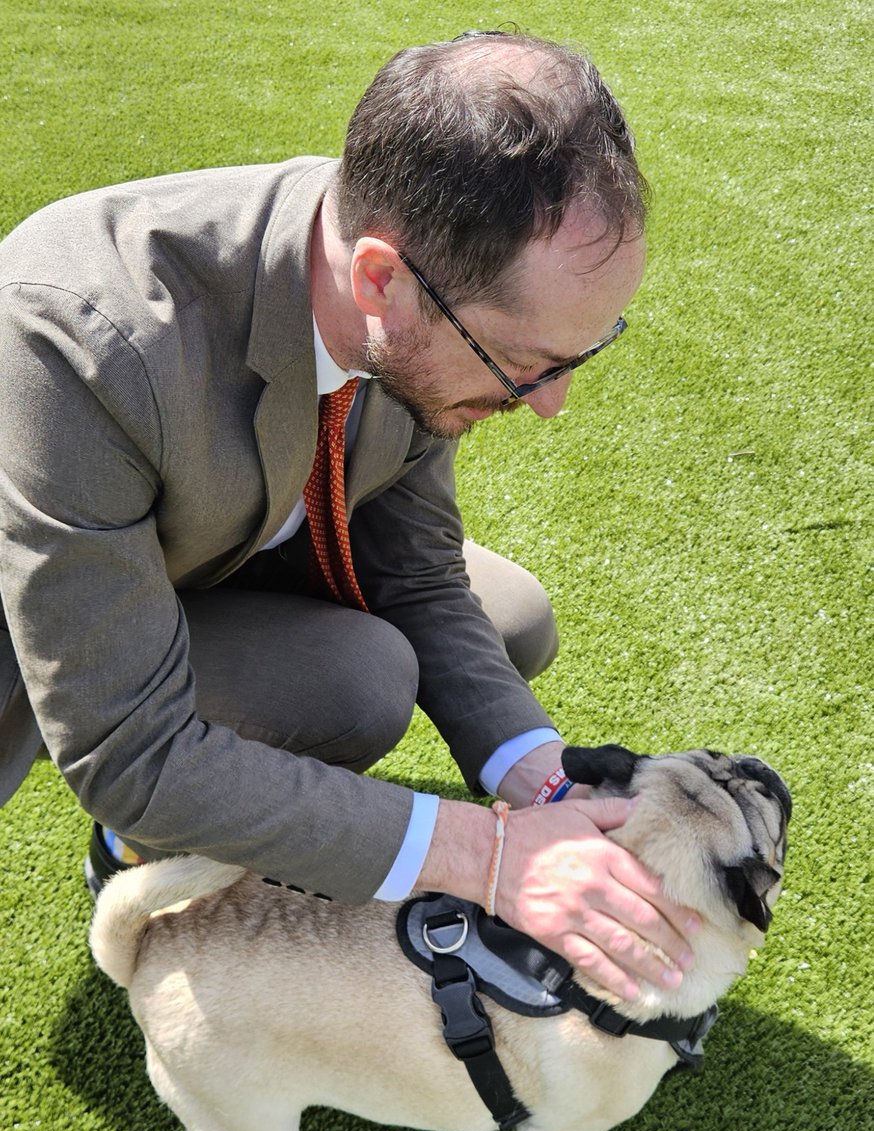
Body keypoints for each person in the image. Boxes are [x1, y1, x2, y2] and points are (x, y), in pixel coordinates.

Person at [0, 30, 699, 1003]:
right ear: (379, 280)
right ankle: (134, 853)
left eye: (580, 357)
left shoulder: (417, 281)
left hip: (223, 540)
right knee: (361, 682)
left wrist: (545, 783)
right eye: (528, 363)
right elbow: (129, 750)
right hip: (52, 610)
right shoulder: (79, 337)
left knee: (511, 620)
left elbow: (415, 570)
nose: (549, 405)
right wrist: (487, 857)